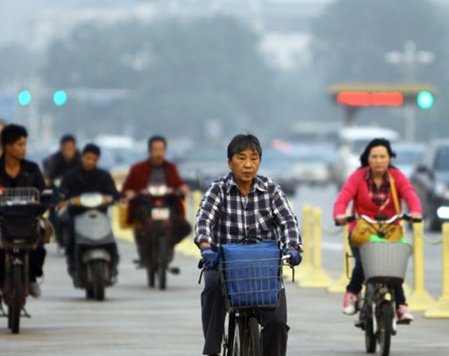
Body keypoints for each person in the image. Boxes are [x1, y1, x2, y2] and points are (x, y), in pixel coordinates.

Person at [195, 133, 303, 356]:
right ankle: (213, 350)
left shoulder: (271, 190)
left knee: (277, 323)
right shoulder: (218, 190)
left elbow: (288, 221)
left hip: (263, 268)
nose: (248, 165)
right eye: (241, 158)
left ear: (260, 162)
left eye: (254, 158)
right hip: (224, 264)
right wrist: (206, 248)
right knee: (213, 287)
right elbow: (204, 219)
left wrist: (292, 247)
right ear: (229, 162)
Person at [332, 138, 422, 324]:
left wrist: (415, 212)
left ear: (389, 158)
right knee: (364, 264)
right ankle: (352, 293)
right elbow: (344, 197)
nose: (379, 160)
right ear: (368, 158)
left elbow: (409, 193)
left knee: (393, 268)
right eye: (374, 156)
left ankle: (401, 305)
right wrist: (340, 215)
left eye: (383, 156)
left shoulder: (397, 176)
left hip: (390, 230)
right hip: (361, 232)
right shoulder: (358, 176)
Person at [0, 124, 48, 300]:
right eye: (20, 145)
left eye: (25, 144)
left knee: (39, 245)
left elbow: (43, 193)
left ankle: (31, 278)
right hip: (1, 222)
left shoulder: (32, 169)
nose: (24, 148)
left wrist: (47, 203)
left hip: (27, 221)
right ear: (7, 147)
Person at [121, 135, 191, 268]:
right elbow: (127, 188)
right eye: (155, 150)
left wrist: (182, 189)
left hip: (167, 204)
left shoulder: (171, 168)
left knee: (185, 227)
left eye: (161, 150)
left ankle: (167, 246)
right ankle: (145, 254)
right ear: (149, 151)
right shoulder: (138, 168)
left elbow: (179, 184)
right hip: (146, 205)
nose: (158, 153)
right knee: (142, 227)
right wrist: (129, 193)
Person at [57, 143, 122, 282]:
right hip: (78, 215)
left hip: (99, 215)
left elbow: (114, 193)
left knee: (110, 237)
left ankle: (114, 262)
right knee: (72, 237)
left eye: (94, 159)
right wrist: (64, 200)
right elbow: (61, 193)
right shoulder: (70, 176)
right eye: (88, 158)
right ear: (82, 157)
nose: (90, 161)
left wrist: (114, 198)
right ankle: (73, 263)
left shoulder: (103, 176)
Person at [43, 134, 80, 249]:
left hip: (76, 192)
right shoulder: (53, 161)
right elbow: (48, 176)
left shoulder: (81, 159)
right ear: (61, 148)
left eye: (71, 149)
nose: (68, 152)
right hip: (58, 192)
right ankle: (56, 236)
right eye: (66, 149)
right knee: (53, 213)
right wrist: (47, 180)